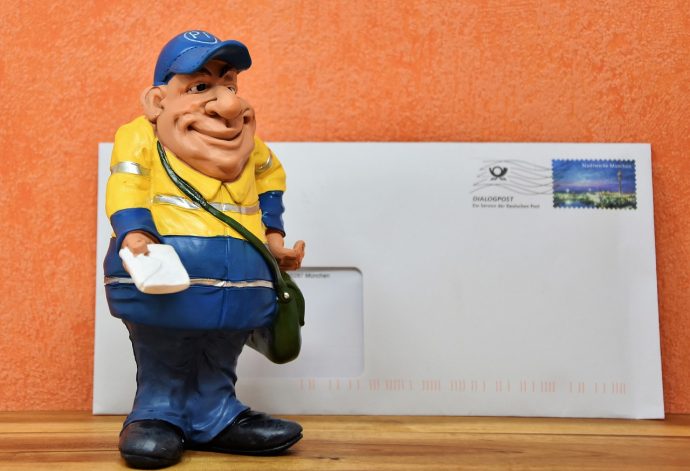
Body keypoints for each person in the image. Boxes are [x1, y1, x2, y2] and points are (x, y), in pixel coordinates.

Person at [103, 30, 305, 469]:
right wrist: (134, 232)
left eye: (229, 85)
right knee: (165, 346)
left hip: (242, 278)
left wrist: (273, 239)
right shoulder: (142, 137)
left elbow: (270, 180)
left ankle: (216, 414)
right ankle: (158, 414)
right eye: (200, 86)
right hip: (167, 274)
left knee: (221, 348)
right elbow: (128, 182)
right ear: (158, 102)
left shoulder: (251, 148)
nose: (227, 104)